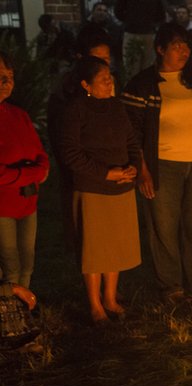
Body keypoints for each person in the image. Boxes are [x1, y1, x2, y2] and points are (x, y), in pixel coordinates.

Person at [123, 22, 192, 301]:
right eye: (176, 45)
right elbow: (132, 131)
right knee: (164, 225)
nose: (184, 51)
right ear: (160, 49)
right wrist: (142, 169)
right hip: (164, 164)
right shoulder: (143, 85)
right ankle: (171, 284)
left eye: (186, 45)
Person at [60, 56, 142, 323]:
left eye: (110, 77)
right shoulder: (76, 110)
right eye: (103, 79)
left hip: (121, 186)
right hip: (93, 188)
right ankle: (95, 304)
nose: (110, 82)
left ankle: (110, 297)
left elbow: (131, 139)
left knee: (116, 244)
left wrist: (132, 166)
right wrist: (105, 173)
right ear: (86, 84)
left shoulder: (116, 106)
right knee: (95, 248)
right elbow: (71, 153)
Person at [48, 30, 115, 255]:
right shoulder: (65, 95)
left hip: (108, 166)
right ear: (80, 59)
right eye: (98, 59)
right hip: (80, 171)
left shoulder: (107, 86)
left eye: (107, 59)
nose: (105, 64)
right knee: (84, 227)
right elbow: (62, 140)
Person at [0, 51, 50, 289]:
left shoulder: (19, 115)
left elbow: (41, 157)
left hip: (27, 203)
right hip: (3, 207)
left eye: (10, 76)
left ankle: (23, 315)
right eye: (0, 76)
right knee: (10, 266)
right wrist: (31, 173)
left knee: (27, 264)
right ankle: (10, 321)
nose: (6, 83)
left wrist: (30, 172)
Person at [114, 0, 169, 74]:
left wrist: (129, 20)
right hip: (148, 32)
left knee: (131, 69)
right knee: (148, 68)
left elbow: (118, 12)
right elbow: (161, 15)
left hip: (132, 32)